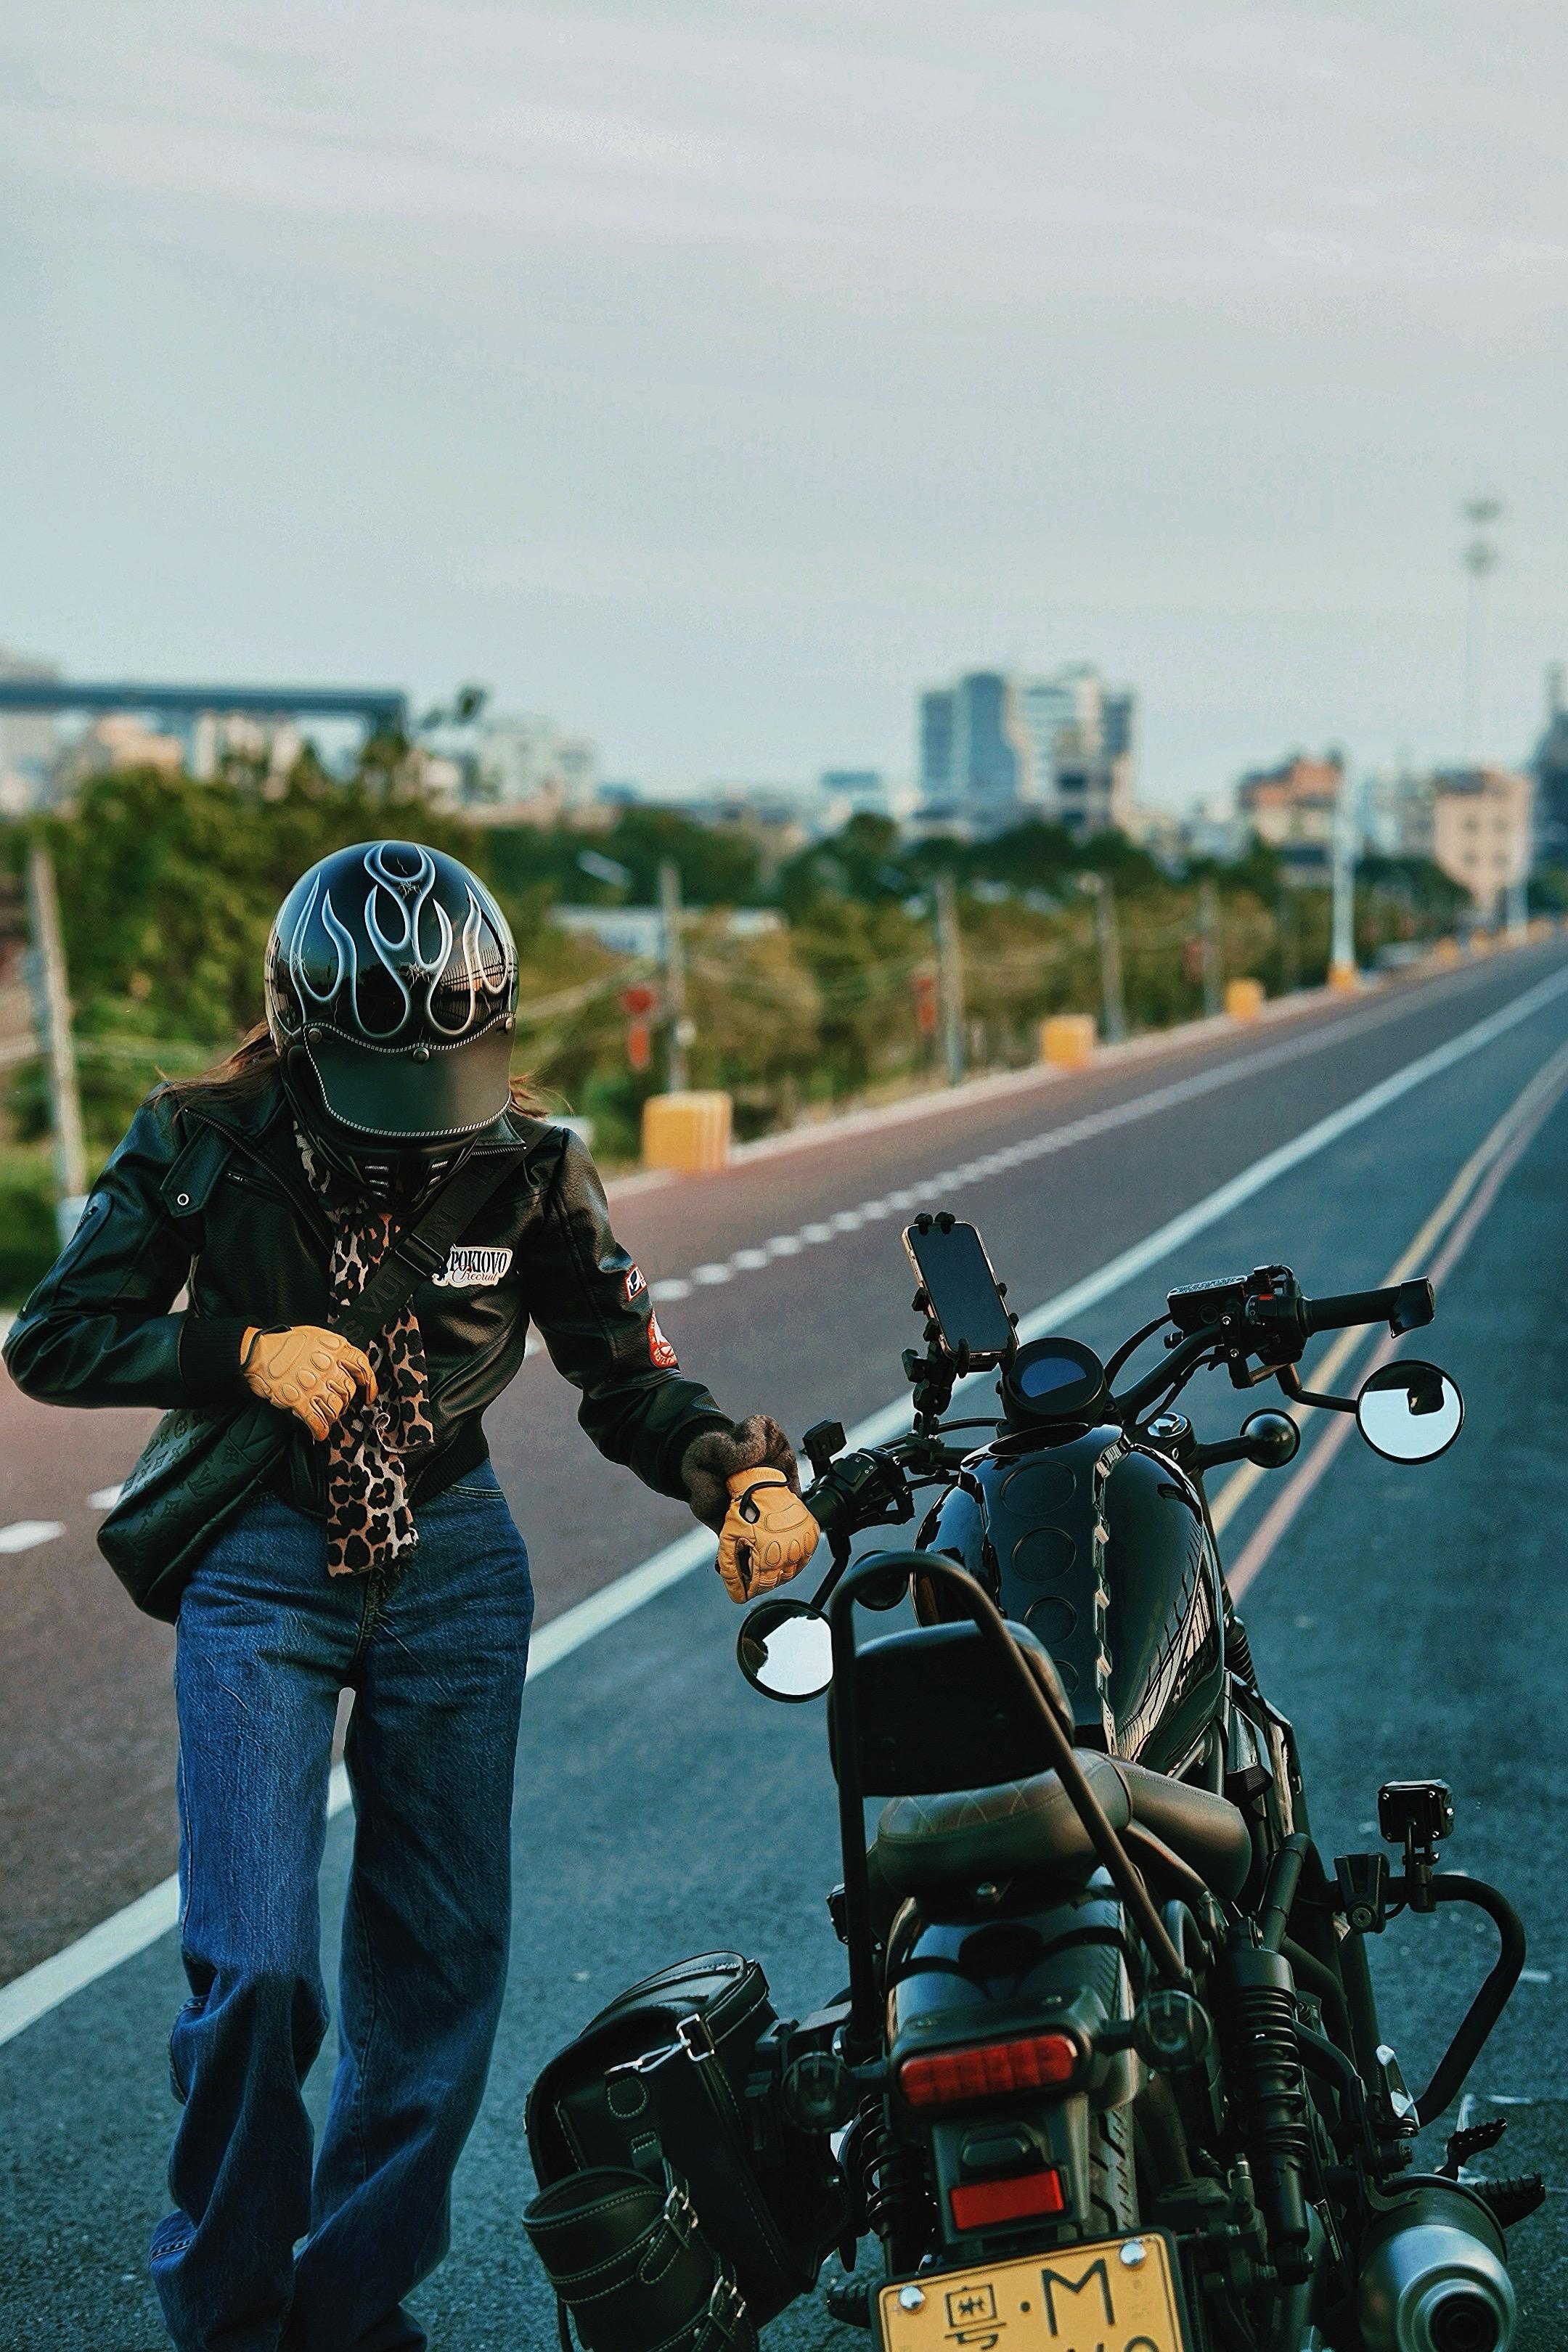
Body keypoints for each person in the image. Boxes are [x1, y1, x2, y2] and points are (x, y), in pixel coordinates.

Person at [3, 838, 820, 2352]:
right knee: (251, 1969)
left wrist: (728, 1466)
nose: (413, 1122)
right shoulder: (200, 1138)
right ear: (298, 1025)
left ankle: (346, 2315)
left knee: (436, 1977)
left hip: (454, 1562)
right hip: (264, 1554)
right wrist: (238, 1352)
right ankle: (235, 2316)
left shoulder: (531, 1158)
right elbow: (53, 1337)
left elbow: (619, 1371)